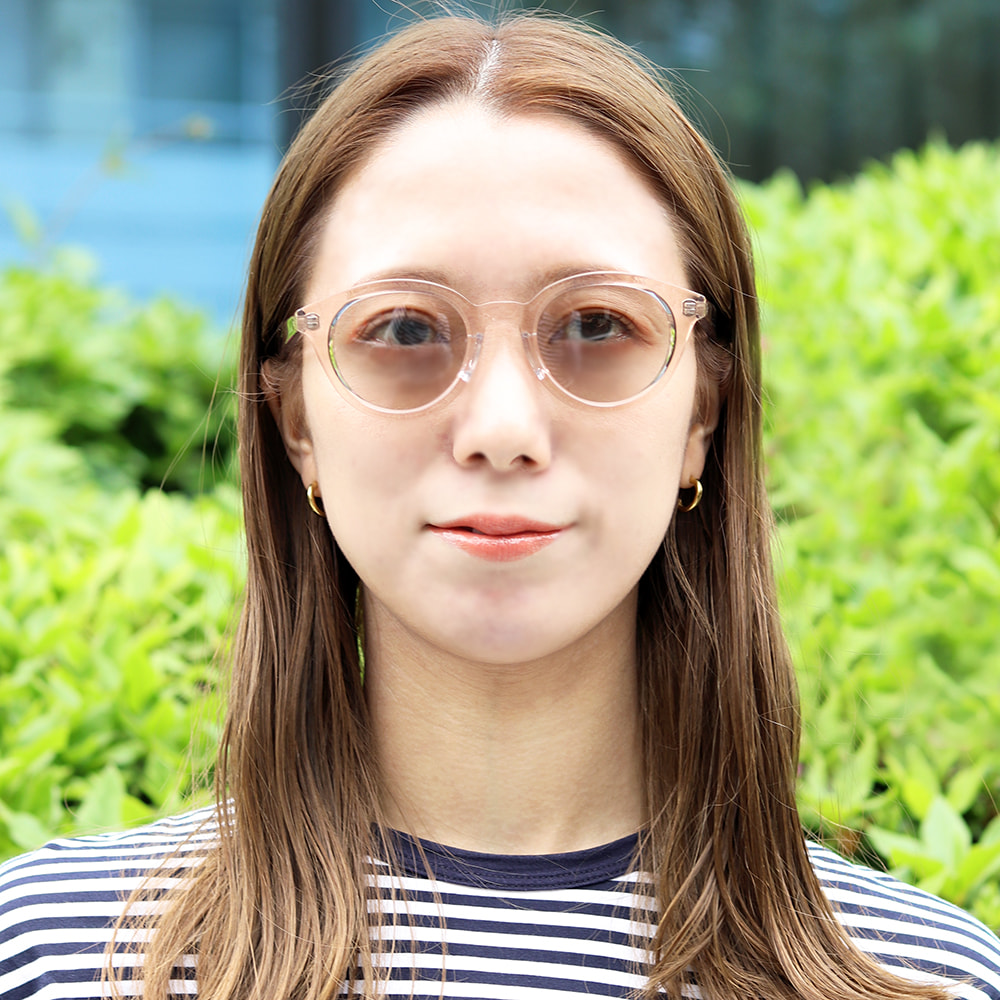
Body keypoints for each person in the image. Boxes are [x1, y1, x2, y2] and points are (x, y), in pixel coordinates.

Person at [1, 12, 999, 1000]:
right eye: (404, 328)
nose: (503, 427)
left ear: (702, 409)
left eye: (597, 324)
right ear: (295, 418)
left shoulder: (927, 980)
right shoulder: (58, 953)